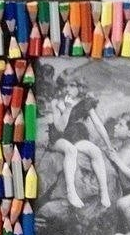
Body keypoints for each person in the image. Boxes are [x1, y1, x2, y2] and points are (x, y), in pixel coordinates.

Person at [46, 77, 112, 208]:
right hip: (58, 136)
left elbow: (98, 125)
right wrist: (68, 108)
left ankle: (104, 192)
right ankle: (71, 192)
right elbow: (60, 128)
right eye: (65, 85)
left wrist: (109, 144)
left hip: (74, 135)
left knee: (96, 151)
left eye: (72, 85)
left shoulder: (85, 102)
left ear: (80, 88)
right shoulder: (56, 102)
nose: (68, 89)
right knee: (71, 150)